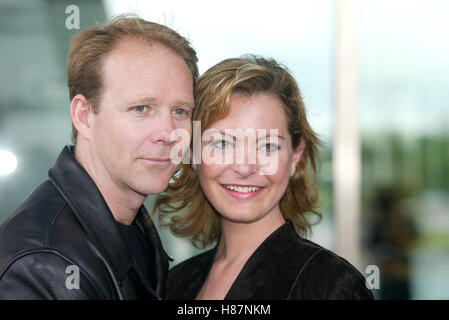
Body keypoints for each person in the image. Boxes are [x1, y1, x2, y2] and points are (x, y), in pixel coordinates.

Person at [0, 15, 198, 299]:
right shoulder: (42, 264)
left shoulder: (136, 231)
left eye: (180, 111)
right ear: (84, 115)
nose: (169, 133)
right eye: (141, 108)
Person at [154, 56, 374, 300]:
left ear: (294, 157)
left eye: (267, 146)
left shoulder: (331, 285)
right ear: (193, 154)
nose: (245, 166)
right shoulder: (175, 282)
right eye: (222, 143)